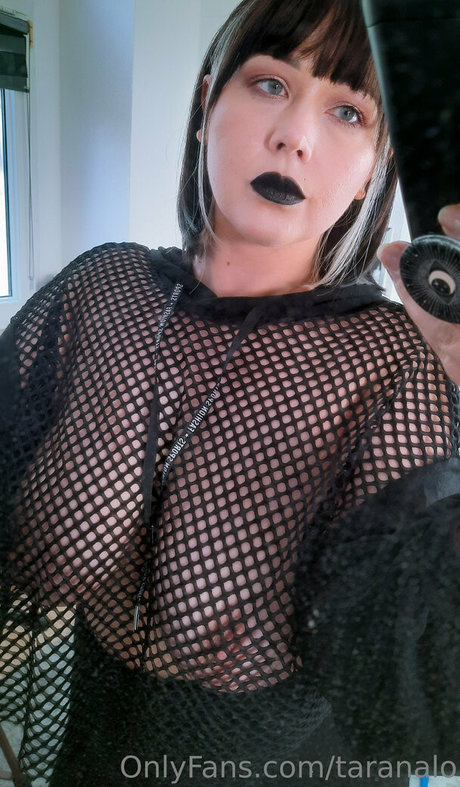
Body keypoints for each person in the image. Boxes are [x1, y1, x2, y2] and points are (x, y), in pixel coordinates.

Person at [1, 0, 459, 785]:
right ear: (205, 107)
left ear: (371, 173)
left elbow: (425, 681)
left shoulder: (394, 366)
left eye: (348, 111)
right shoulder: (98, 291)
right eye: (270, 84)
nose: (295, 136)